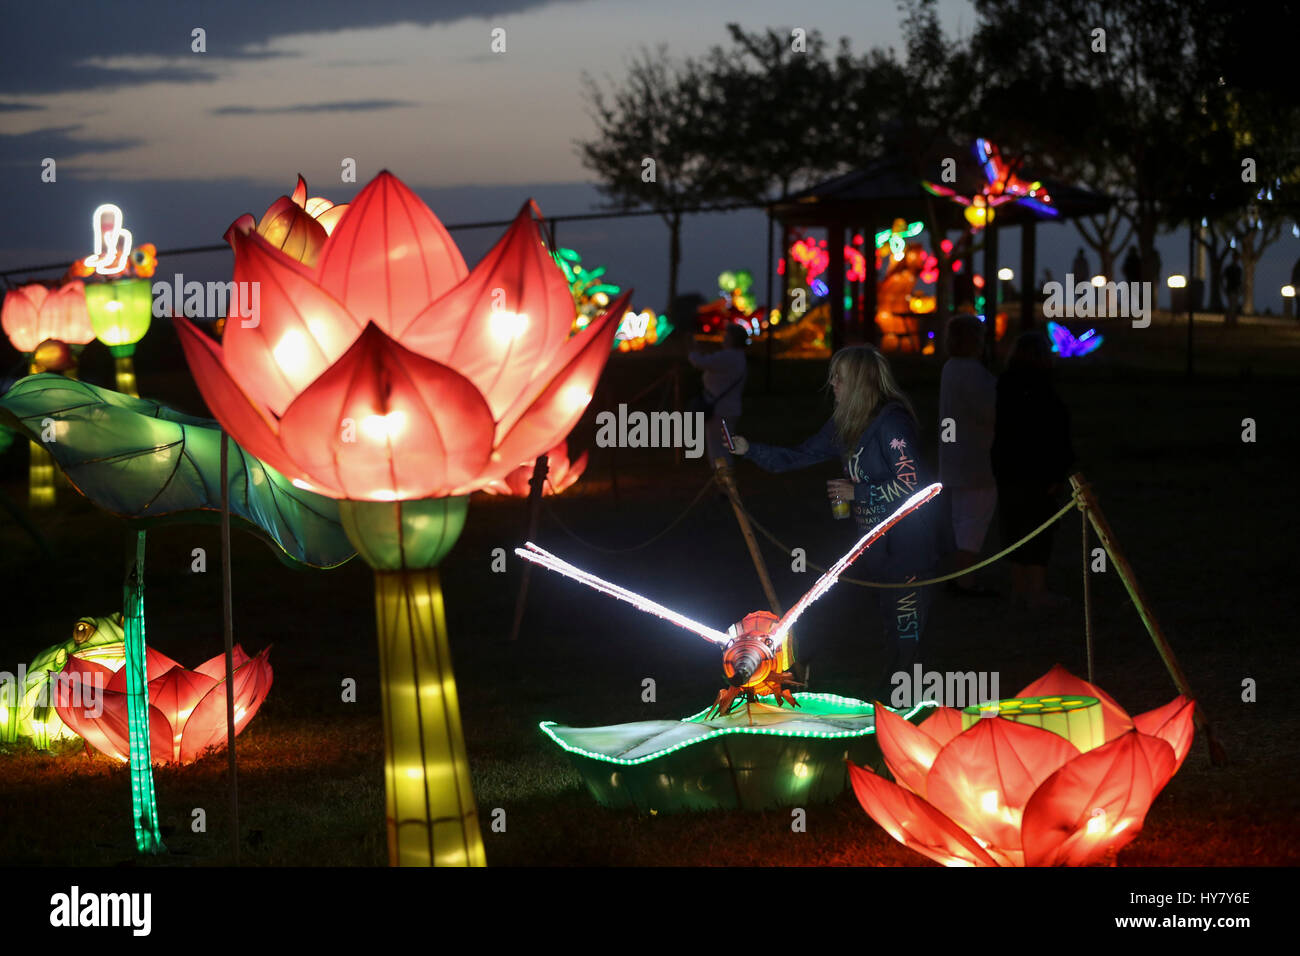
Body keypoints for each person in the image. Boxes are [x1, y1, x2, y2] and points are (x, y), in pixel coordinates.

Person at [730, 346, 943, 699]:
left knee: (906, 634)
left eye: (839, 378)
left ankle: (901, 712)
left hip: (910, 548)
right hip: (876, 549)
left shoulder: (891, 423)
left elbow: (914, 484)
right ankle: (889, 704)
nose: (832, 385)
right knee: (879, 626)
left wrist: (857, 493)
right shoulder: (848, 423)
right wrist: (748, 448)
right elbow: (801, 455)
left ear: (859, 382)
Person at [990, 331, 1074, 612]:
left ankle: (1019, 588)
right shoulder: (1041, 389)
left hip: (1009, 468)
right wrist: (1056, 472)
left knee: (1014, 526)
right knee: (1038, 528)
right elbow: (1053, 433)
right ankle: (1035, 591)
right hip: (1036, 472)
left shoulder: (1005, 385)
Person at [939, 315, 997, 596]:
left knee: (962, 519)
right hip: (977, 459)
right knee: (973, 521)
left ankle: (961, 576)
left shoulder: (951, 369)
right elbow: (990, 412)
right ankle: (965, 580)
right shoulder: (972, 373)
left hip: (956, 458)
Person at [688, 322, 748, 466]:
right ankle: (725, 481)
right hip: (731, 409)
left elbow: (700, 362)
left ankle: (724, 481)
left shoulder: (728, 356)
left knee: (717, 450)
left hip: (719, 410)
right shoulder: (739, 357)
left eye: (727, 335)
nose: (724, 338)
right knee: (724, 447)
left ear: (732, 339)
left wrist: (692, 351)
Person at [1224, 254, 1243, 327]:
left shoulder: (1238, 269)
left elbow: (1239, 280)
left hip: (1235, 288)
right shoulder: (1231, 268)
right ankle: (1230, 321)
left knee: (1233, 305)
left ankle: (1232, 321)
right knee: (1232, 305)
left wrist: (1240, 288)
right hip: (1231, 288)